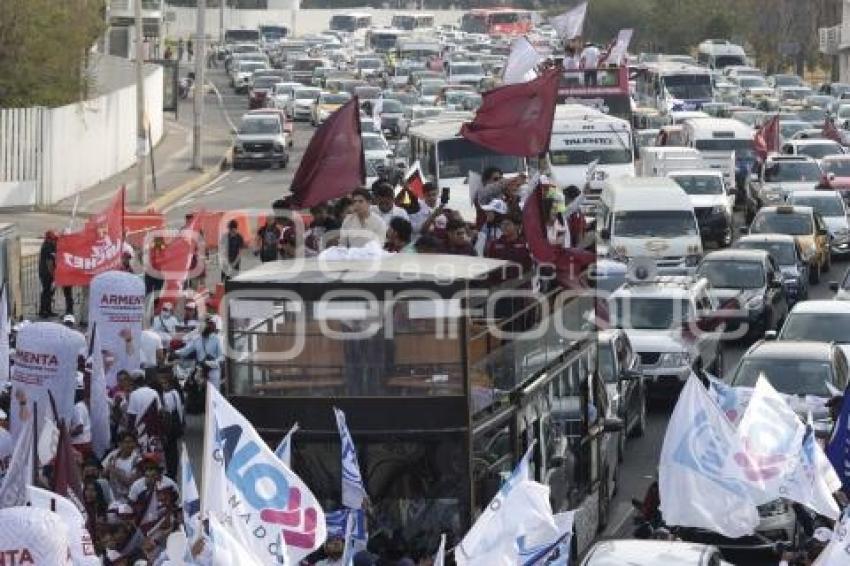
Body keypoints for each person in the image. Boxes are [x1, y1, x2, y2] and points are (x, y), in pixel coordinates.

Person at [127, 454, 180, 538]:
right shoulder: (137, 485)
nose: (147, 470)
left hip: (164, 525)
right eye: (146, 468)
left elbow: (177, 506)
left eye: (151, 467)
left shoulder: (169, 483)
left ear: (158, 469)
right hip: (143, 526)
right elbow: (130, 507)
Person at [176, 316, 224, 389]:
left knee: (213, 393)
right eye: (208, 324)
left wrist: (211, 363)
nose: (208, 326)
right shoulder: (197, 339)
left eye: (211, 324)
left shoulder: (217, 339)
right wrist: (175, 352)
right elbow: (185, 351)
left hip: (213, 370)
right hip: (200, 370)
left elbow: (221, 357)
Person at [125, 371, 163, 454]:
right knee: (154, 456)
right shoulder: (154, 392)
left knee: (141, 457)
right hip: (154, 432)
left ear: (133, 382)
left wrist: (129, 434)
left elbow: (132, 417)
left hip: (139, 432)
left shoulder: (134, 394)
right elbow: (160, 413)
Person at [103, 432, 142, 503]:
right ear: (120, 444)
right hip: (113, 497)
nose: (130, 445)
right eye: (127, 442)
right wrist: (107, 471)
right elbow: (103, 475)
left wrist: (113, 470)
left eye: (132, 442)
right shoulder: (113, 455)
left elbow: (130, 482)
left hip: (129, 498)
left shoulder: (137, 460)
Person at [71, 374, 92, 458]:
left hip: (80, 443)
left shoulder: (77, 407)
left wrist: (65, 435)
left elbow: (79, 428)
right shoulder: (81, 405)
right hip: (83, 442)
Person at [38, 231, 58, 318]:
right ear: (49, 239)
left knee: (50, 292)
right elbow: (51, 260)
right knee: (46, 291)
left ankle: (48, 310)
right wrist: (53, 275)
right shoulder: (47, 247)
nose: (54, 240)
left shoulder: (50, 245)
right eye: (53, 239)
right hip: (46, 273)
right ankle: (43, 311)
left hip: (48, 272)